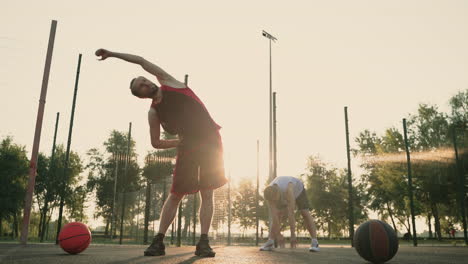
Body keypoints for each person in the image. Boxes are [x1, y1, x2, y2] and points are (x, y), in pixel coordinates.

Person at [96, 49, 227, 257]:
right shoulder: (154, 112)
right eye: (141, 86)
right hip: (188, 148)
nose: (145, 83)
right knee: (176, 194)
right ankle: (158, 241)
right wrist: (178, 141)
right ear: (141, 95)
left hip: (210, 142)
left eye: (144, 80)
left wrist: (111, 54)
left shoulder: (170, 82)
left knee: (207, 192)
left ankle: (203, 242)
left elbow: (140, 60)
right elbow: (156, 143)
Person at [260, 176, 319, 252]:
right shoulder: (269, 194)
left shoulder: (288, 190)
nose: (274, 202)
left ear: (277, 193)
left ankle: (315, 242)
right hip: (282, 193)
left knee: (304, 212)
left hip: (299, 191)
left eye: (275, 200)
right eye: (272, 201)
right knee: (278, 215)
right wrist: (278, 234)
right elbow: (274, 216)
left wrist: (293, 234)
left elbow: (291, 213)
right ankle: (270, 242)